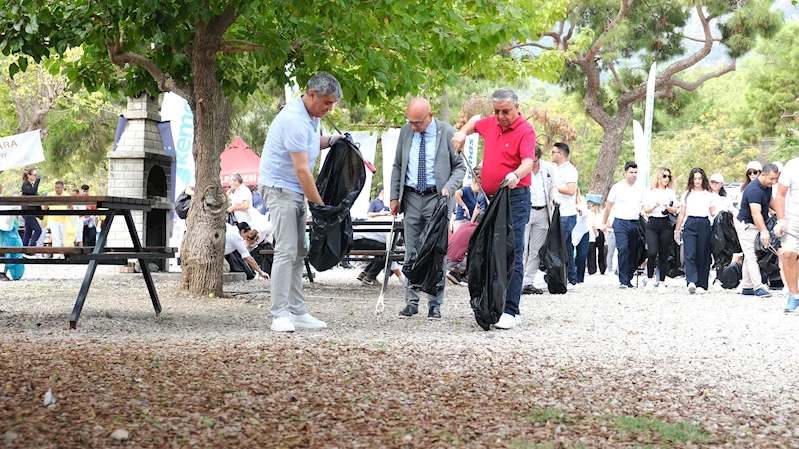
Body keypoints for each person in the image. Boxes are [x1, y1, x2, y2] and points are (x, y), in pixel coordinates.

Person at [257, 71, 344, 332]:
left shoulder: (311, 115)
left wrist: (332, 141)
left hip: (293, 188)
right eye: (327, 102)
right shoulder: (294, 120)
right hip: (280, 187)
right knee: (285, 250)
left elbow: (310, 144)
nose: (330, 108)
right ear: (312, 94)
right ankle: (279, 314)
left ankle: (297, 311)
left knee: (298, 252)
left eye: (332, 104)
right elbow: (302, 170)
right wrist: (319, 206)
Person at [452, 88, 535, 329]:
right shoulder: (490, 123)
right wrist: (461, 133)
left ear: (517, 108)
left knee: (513, 249)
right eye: (496, 111)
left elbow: (528, 161)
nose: (500, 117)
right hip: (488, 198)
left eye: (505, 112)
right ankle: (493, 303)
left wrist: (515, 175)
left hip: (514, 196)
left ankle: (511, 309)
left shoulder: (525, 130)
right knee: (489, 249)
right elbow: (475, 121)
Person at [390, 97, 465, 320]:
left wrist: (448, 189)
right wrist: (394, 196)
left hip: (437, 199)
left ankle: (435, 303)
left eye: (418, 123)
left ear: (430, 116)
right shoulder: (406, 132)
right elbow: (397, 165)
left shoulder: (448, 133)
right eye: (410, 122)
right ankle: (411, 302)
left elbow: (460, 167)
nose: (414, 127)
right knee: (411, 251)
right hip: (411, 198)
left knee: (436, 252)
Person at [735, 163, 780, 298]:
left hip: (755, 223)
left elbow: (770, 200)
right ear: (763, 175)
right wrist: (764, 232)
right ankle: (758, 286)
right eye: (771, 179)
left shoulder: (767, 186)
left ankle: (747, 286)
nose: (774, 182)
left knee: (750, 255)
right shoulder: (754, 190)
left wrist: (782, 214)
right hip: (746, 224)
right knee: (751, 255)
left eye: (775, 179)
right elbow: (756, 214)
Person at [602, 161, 644, 289]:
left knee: (633, 250)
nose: (633, 175)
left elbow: (644, 206)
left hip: (635, 221)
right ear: (625, 173)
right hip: (620, 221)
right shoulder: (617, 187)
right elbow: (608, 206)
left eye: (635, 172)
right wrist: (604, 222)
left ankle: (629, 277)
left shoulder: (641, 188)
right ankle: (623, 279)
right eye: (631, 172)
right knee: (623, 248)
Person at [674, 168, 716, 294]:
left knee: (703, 254)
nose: (697, 181)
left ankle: (702, 284)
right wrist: (677, 229)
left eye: (699, 178)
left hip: (704, 222)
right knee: (689, 253)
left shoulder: (709, 195)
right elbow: (682, 213)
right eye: (695, 178)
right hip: (690, 222)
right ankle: (691, 280)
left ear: (703, 179)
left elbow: (712, 212)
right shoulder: (686, 194)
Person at [522, 145, 557, 294]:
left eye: (536, 161)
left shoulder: (548, 168)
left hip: (542, 210)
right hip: (525, 210)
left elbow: (553, 187)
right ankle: (518, 279)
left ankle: (528, 281)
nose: (533, 164)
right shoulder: (523, 167)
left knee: (536, 249)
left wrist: (555, 198)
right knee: (522, 247)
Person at [641, 167, 678, 292]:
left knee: (664, 254)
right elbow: (645, 209)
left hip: (665, 223)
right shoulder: (650, 192)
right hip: (652, 223)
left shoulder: (670, 192)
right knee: (652, 252)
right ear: (658, 177)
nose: (666, 179)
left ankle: (661, 281)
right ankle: (650, 279)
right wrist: (653, 206)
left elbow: (675, 210)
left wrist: (667, 206)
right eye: (664, 176)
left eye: (668, 176)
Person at [551, 142, 579, 286]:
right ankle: (571, 279)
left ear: (560, 154)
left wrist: (554, 187)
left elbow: (570, 190)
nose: (551, 154)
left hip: (566, 213)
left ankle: (560, 277)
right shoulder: (554, 169)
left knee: (559, 246)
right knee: (567, 247)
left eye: (553, 152)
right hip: (556, 213)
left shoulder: (569, 170)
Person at [774, 156, 799, 313]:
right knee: (789, 254)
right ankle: (794, 295)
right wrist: (781, 219)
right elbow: (780, 195)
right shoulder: (792, 165)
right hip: (793, 217)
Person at [446, 211, 482, 286]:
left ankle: (455, 273)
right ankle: (467, 277)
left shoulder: (466, 225)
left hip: (447, 258)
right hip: (455, 261)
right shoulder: (476, 232)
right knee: (480, 254)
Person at [453, 165, 487, 231]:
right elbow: (456, 194)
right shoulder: (467, 189)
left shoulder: (479, 194)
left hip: (469, 222)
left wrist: (471, 222)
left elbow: (477, 208)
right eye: (479, 183)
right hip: (461, 221)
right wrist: (464, 206)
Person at [42, 181, 68, 255]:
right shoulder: (50, 194)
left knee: (63, 237)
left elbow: (70, 206)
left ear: (62, 187)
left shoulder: (66, 195)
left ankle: (61, 253)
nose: (57, 189)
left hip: (63, 219)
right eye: (56, 187)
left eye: (58, 188)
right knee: (55, 236)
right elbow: (45, 207)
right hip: (53, 219)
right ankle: (56, 254)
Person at [20, 168, 42, 248]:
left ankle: (25, 249)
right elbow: (32, 192)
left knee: (28, 232)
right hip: (27, 211)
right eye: (34, 175)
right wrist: (37, 182)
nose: (36, 177)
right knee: (38, 230)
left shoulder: (30, 185)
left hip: (31, 211)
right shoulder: (26, 184)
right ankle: (30, 247)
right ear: (28, 176)